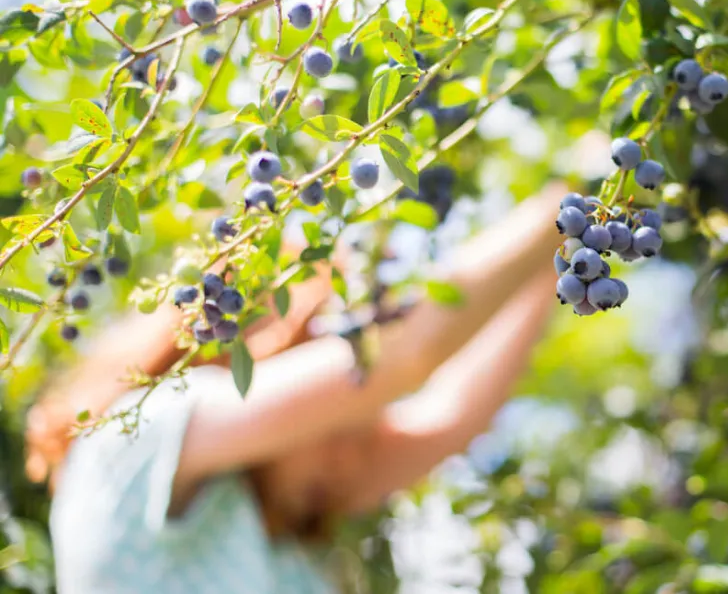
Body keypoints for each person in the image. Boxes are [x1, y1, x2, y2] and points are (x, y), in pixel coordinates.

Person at [24, 183, 570, 593]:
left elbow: (451, 415)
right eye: (338, 418)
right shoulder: (136, 434)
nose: (355, 453)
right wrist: (568, 202)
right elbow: (399, 360)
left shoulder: (256, 508)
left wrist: (565, 249)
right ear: (266, 356)